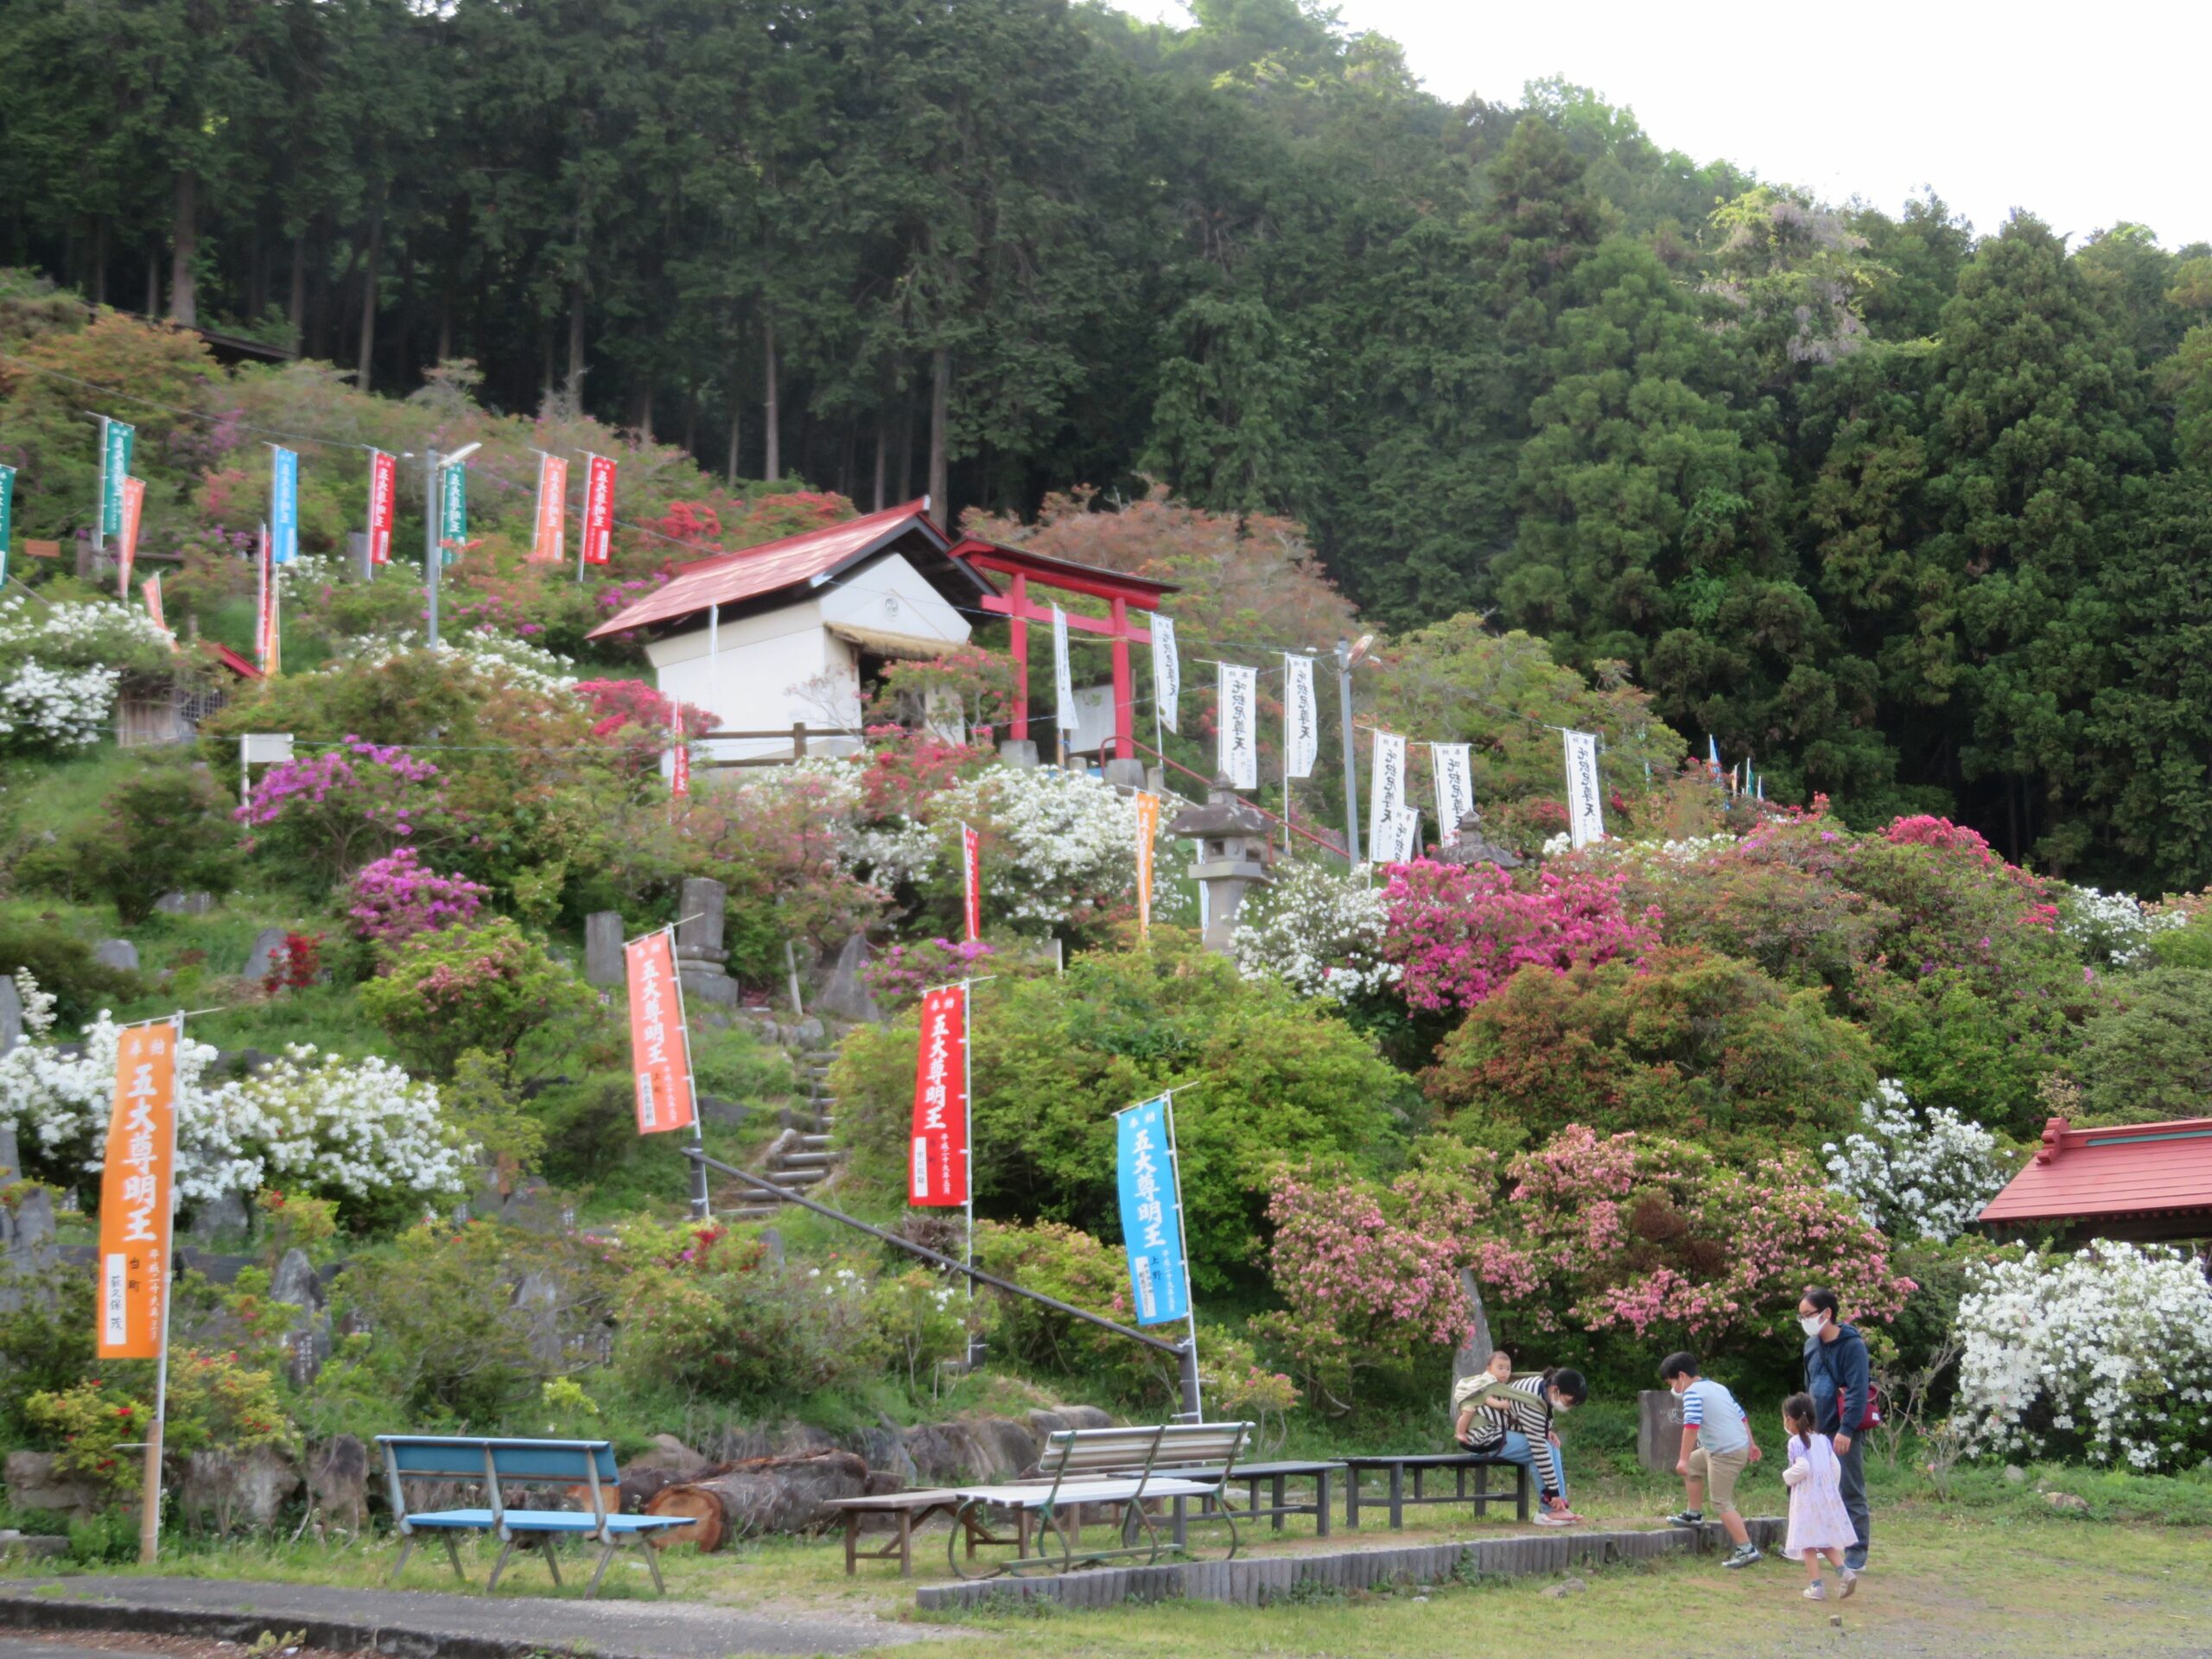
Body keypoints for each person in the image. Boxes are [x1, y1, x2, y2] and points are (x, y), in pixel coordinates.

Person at [1658, 1351, 1762, 1568]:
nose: (1673, 1388)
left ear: (1681, 1376)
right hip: (1723, 1449)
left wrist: (1682, 1459)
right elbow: (1741, 1416)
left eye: (1672, 1383)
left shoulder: (1693, 1393)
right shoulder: (1717, 1387)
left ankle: (1747, 1549)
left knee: (1720, 1501)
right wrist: (1751, 1444)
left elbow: (1691, 1427)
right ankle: (1694, 1514)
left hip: (1726, 1454)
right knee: (1694, 1468)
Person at [1798, 1287, 1872, 1574]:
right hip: (1816, 1427)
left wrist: (1847, 1429)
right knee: (1815, 1489)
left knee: (1850, 1490)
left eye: (1809, 1315)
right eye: (1801, 1316)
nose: (1804, 1320)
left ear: (1827, 1313)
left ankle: (1857, 1552)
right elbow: (1809, 1387)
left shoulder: (1852, 1345)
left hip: (1843, 1430)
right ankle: (1816, 1545)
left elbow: (1857, 1390)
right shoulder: (1810, 1346)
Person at [1458, 1364, 1587, 1526]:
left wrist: (1545, 1430)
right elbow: (1539, 1449)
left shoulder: (1544, 1387)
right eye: (1568, 1402)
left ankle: (1559, 1507)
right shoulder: (1532, 1400)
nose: (1568, 1407)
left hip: (1501, 1428)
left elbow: (1524, 1422)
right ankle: (1549, 1511)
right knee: (1542, 1450)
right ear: (1555, 1389)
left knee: (1551, 1445)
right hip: (1482, 1435)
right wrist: (1553, 1493)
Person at [1781, 1392, 1858, 1601]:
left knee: (1807, 1543)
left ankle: (1817, 1586)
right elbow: (1836, 1467)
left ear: (1790, 1419)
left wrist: (1787, 1476)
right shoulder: (1823, 1440)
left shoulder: (1796, 1443)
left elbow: (1802, 1467)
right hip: (1824, 1498)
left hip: (1806, 1500)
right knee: (1823, 1540)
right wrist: (1830, 1488)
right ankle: (1845, 1572)